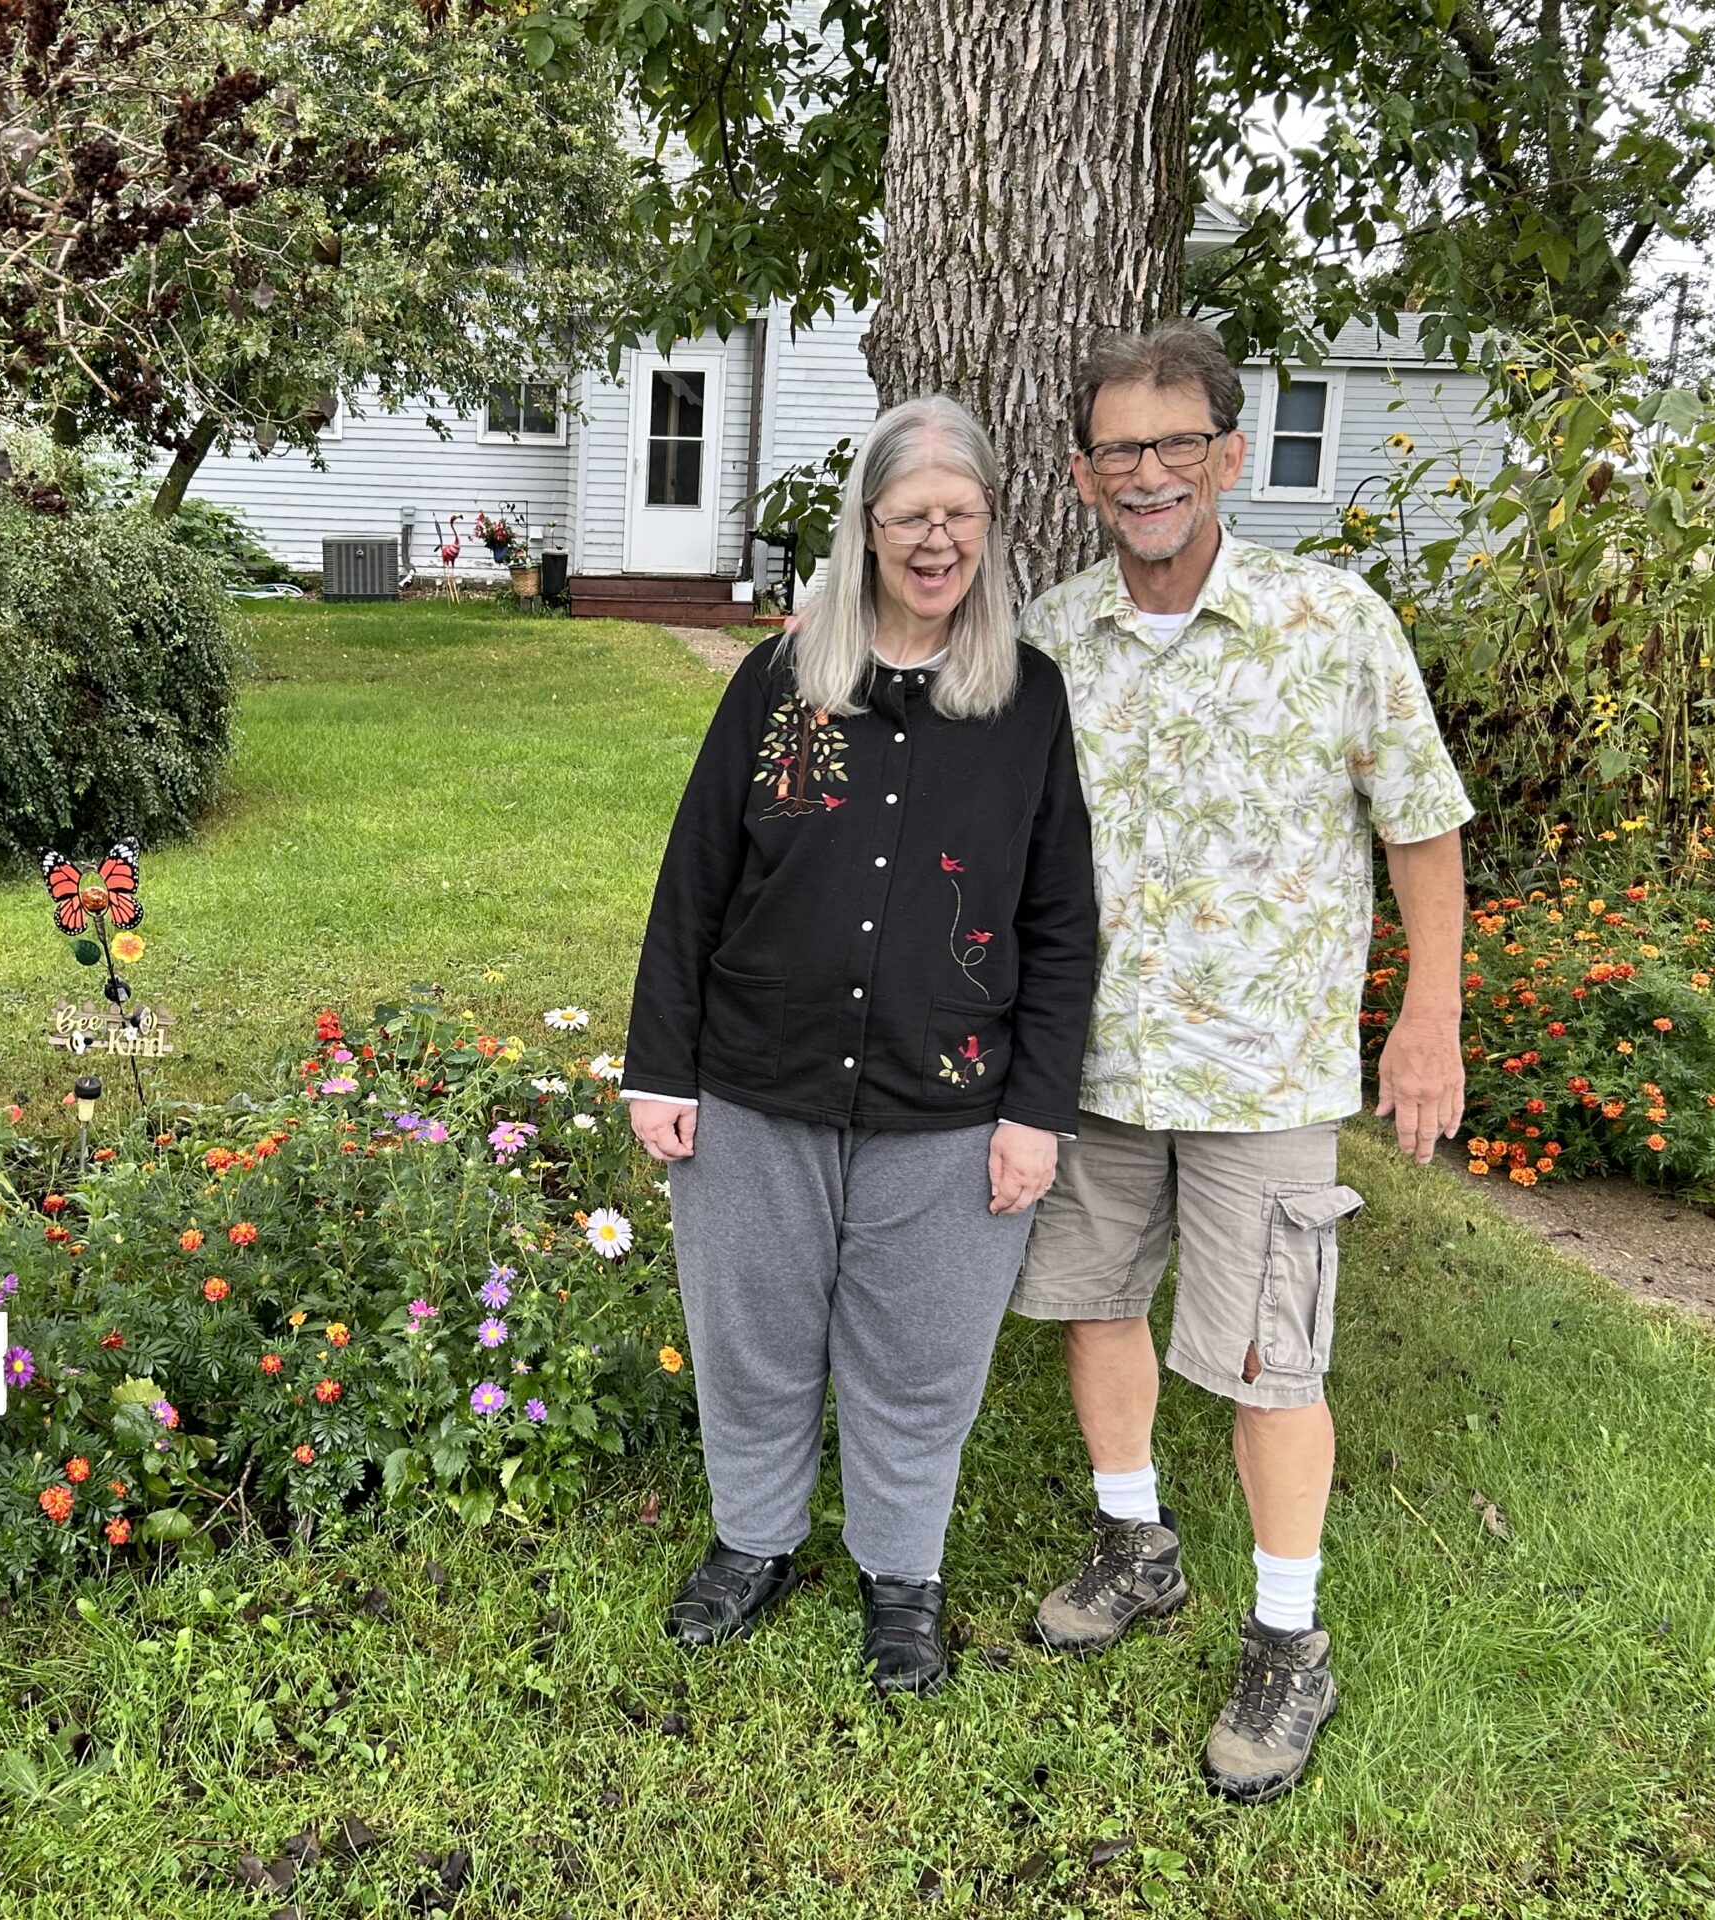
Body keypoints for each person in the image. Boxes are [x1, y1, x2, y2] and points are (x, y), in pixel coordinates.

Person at [1012, 322, 1472, 1801]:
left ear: (1226, 453)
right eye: (1116, 451)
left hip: (1264, 1073)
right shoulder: (1047, 637)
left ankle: (1288, 1638)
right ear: (1082, 474)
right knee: (1091, 1307)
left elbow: (1423, 825)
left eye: (1174, 445)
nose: (1146, 475)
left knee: (1275, 1358)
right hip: (1089, 1065)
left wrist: (1429, 1019)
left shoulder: (1333, 625)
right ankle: (1136, 1544)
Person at [622, 395, 1098, 1697]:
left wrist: (1034, 1112)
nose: (936, 540)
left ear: (991, 528)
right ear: (870, 527)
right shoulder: (782, 682)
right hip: (755, 1083)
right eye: (911, 517)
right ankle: (754, 1543)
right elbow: (695, 879)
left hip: (950, 1106)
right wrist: (660, 1068)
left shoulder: (1027, 702)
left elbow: (1060, 925)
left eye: (960, 516)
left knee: (919, 1357)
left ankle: (903, 1578)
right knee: (753, 1335)